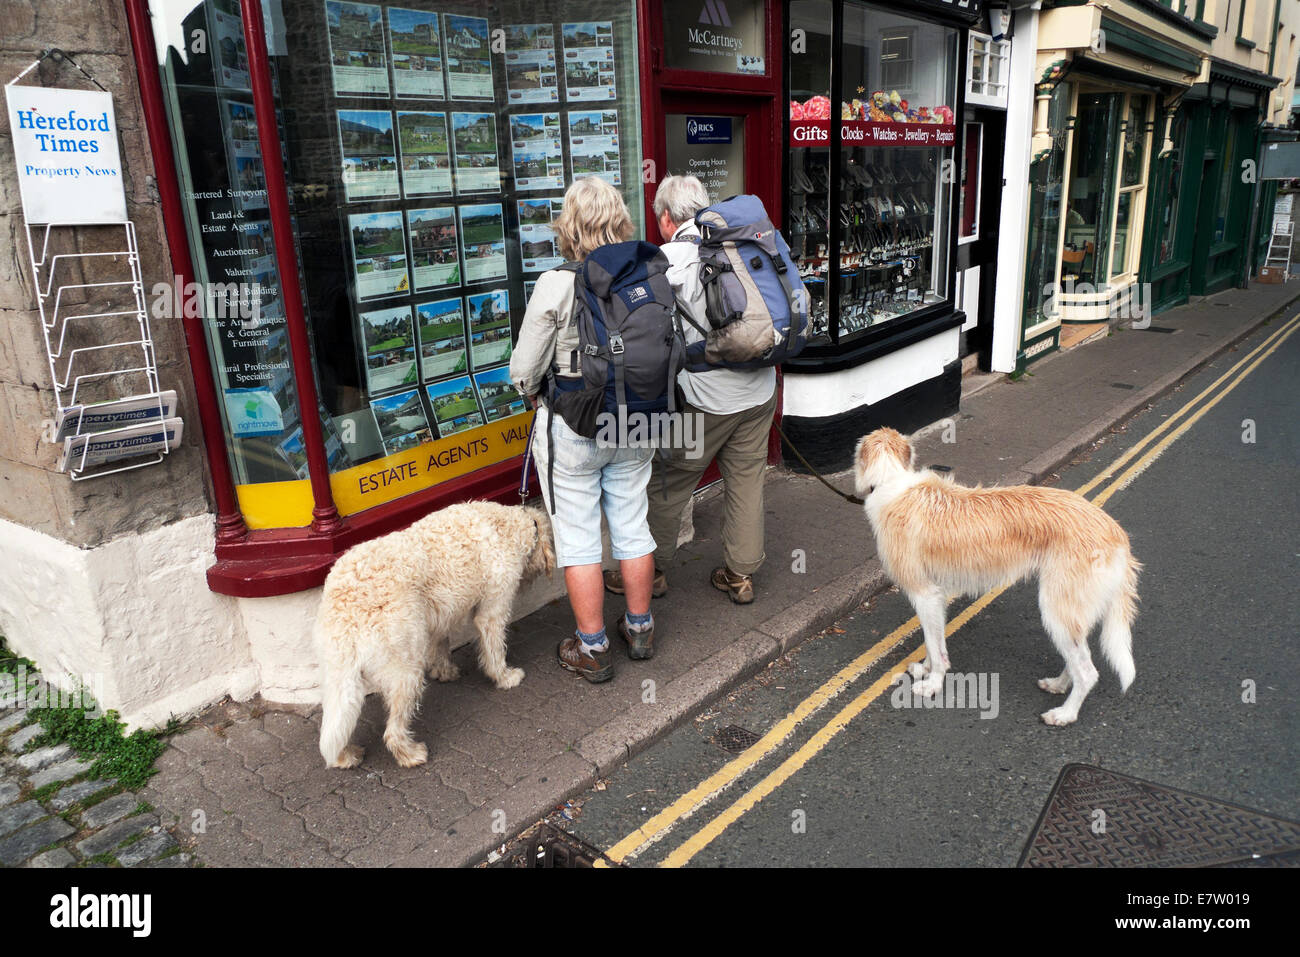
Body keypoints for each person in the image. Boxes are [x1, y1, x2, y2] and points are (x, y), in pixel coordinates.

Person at [509, 176, 658, 682]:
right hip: (638, 416)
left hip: (575, 423)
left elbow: (524, 371)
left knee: (577, 539)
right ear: (619, 217)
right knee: (633, 524)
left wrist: (532, 392)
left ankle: (591, 647)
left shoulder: (556, 283)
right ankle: (639, 628)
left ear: (567, 225)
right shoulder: (647, 272)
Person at [604, 174, 777, 605]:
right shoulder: (738, 244)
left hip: (702, 400)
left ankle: (649, 573)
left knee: (668, 482)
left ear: (665, 217)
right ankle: (740, 576)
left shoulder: (667, 260)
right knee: (747, 480)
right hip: (759, 389)